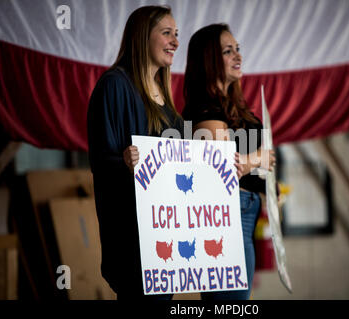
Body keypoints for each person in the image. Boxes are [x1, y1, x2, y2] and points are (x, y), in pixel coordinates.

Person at [87, 5, 182, 300]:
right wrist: (124, 163)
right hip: (135, 244)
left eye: (176, 35)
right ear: (142, 37)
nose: (176, 42)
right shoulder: (114, 85)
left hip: (167, 237)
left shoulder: (164, 93)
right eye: (166, 33)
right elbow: (101, 161)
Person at [182, 23, 276, 300]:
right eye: (227, 51)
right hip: (226, 221)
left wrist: (253, 160)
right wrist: (256, 159)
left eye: (238, 49)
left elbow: (266, 159)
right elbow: (222, 169)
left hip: (245, 216)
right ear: (209, 60)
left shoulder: (233, 107)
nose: (238, 56)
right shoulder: (206, 107)